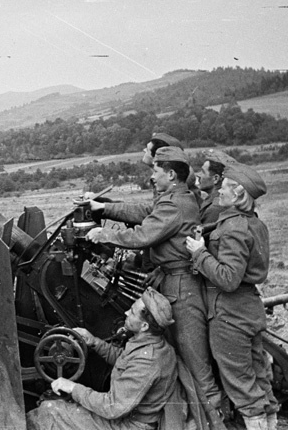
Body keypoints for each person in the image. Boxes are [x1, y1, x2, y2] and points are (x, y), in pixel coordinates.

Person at [83, 147, 225, 429]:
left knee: (195, 362)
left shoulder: (174, 204)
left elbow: (145, 234)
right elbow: (145, 212)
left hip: (182, 288)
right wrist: (105, 207)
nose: (151, 177)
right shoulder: (175, 199)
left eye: (155, 171)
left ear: (171, 174)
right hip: (172, 282)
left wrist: (105, 234)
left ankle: (218, 421)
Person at [185, 163, 279, 430]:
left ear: (237, 195)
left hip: (229, 315)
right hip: (248, 308)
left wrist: (199, 253)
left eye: (224, 187)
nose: (219, 192)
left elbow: (228, 278)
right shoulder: (253, 223)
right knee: (260, 381)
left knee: (242, 387)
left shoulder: (233, 228)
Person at [26, 288, 193, 430]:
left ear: (144, 326)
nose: (127, 312)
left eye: (133, 312)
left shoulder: (148, 361)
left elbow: (112, 407)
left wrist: (73, 388)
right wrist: (94, 342)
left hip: (128, 425)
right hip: (124, 413)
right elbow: (124, 360)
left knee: (48, 412)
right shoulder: (152, 345)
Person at [197, 149, 237, 226]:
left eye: (203, 172)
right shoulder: (214, 199)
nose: (198, 175)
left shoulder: (216, 207)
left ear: (215, 178)